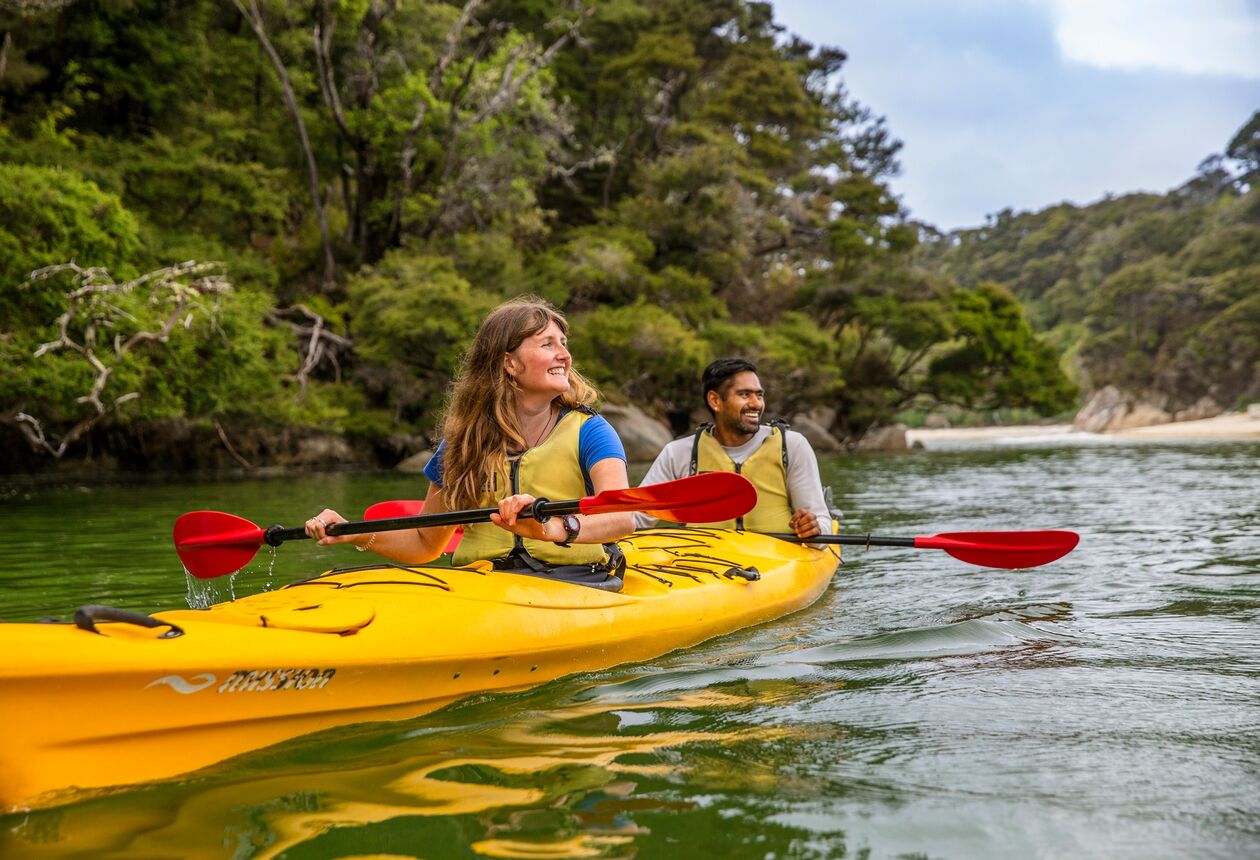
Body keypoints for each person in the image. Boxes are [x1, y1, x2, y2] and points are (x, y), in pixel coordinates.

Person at [305, 297, 635, 590]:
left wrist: (551, 528)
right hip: (482, 587)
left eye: (563, 343)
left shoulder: (591, 431)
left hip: (577, 581)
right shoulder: (462, 444)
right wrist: (356, 533)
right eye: (548, 344)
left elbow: (622, 519)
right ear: (510, 363)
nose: (565, 354)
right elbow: (425, 543)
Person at [635, 358, 833, 538]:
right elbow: (636, 518)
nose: (756, 404)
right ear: (715, 401)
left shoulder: (791, 446)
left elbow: (822, 523)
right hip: (701, 562)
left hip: (777, 558)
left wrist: (813, 528)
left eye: (759, 395)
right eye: (744, 394)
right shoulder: (677, 453)